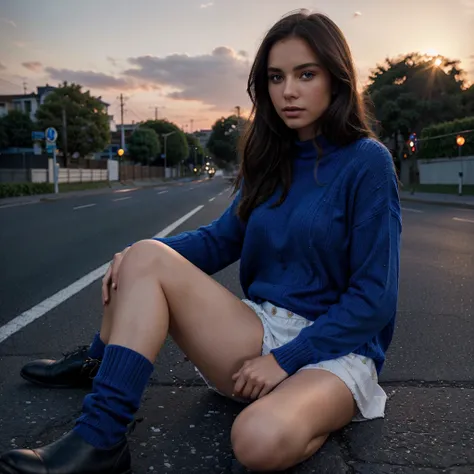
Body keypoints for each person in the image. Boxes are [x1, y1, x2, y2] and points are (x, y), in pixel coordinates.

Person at [0, 9, 401, 474]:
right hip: (259, 333)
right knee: (146, 255)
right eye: (275, 77)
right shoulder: (269, 158)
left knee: (256, 441)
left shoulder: (367, 162)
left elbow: (375, 297)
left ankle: (306, 406)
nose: (288, 91)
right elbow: (219, 240)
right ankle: (101, 435)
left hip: (335, 349)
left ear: (336, 78)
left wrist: (290, 360)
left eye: (305, 74)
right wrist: (134, 257)